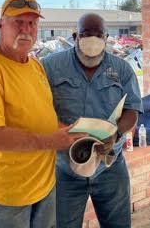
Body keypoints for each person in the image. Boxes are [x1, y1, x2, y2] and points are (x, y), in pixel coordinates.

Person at [0, 0, 86, 228]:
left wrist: (71, 134)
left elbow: (42, 118)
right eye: (18, 22)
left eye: (32, 23)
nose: (26, 29)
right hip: (10, 195)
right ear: (1, 25)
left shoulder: (35, 66)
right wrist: (50, 141)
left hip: (45, 185)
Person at [42, 13, 143, 228]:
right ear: (75, 35)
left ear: (106, 37)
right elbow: (38, 108)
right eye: (87, 33)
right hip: (64, 170)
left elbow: (132, 109)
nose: (93, 39)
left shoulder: (122, 69)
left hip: (110, 167)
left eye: (99, 34)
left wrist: (115, 134)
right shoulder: (50, 66)